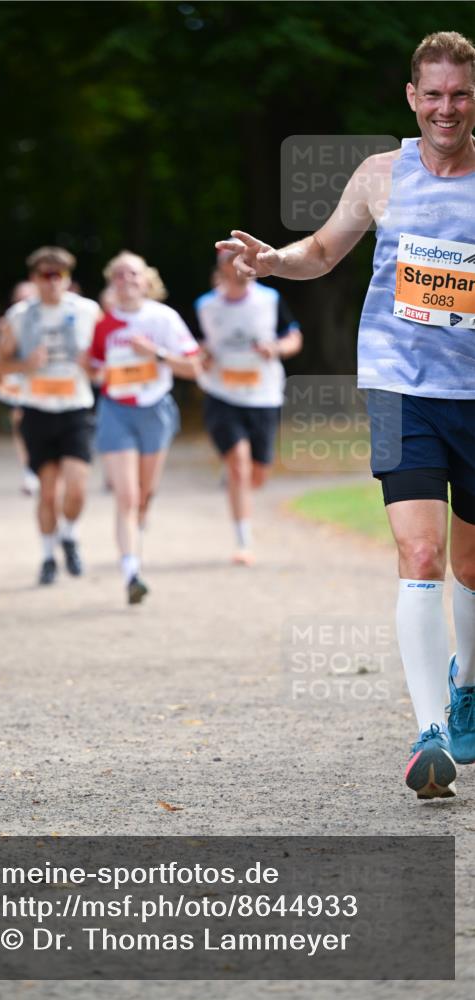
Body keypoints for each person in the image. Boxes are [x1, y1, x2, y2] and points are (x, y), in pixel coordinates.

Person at [217, 30, 475, 799]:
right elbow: (323, 251)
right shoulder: (379, 174)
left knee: (470, 563)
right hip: (401, 387)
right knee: (421, 556)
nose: (444, 107)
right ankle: (429, 730)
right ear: (410, 97)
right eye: (431, 94)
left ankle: (465, 689)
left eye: (457, 94)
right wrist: (273, 263)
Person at [89, 251, 201, 604]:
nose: (126, 280)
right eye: (119, 275)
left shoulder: (164, 318)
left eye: (133, 274)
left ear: (147, 281)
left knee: (145, 494)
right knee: (127, 496)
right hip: (116, 410)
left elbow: (193, 368)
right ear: (112, 283)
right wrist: (104, 372)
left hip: (155, 410)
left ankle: (140, 522)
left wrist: (155, 354)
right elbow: (91, 368)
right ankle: (131, 572)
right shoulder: (103, 324)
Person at [0, 247, 101, 585]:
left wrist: (93, 366)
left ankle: (69, 534)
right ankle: (47, 556)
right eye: (45, 275)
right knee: (48, 492)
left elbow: (105, 361)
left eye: (59, 275)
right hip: (37, 410)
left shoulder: (88, 312)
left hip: (76, 409)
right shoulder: (19, 316)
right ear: (34, 279)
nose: (52, 282)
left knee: (77, 489)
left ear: (68, 279)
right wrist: (25, 364)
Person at [196, 251, 303, 565]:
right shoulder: (206, 305)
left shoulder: (270, 299)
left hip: (264, 395)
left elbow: (294, 338)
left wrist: (276, 348)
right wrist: (202, 353)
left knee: (258, 474)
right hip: (222, 395)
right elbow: (195, 344)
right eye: (234, 262)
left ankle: (237, 483)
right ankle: (243, 542)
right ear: (223, 269)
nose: (244, 267)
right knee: (239, 465)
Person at [0, 280, 38, 494]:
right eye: (20, 298)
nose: (24, 302)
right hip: (18, 378)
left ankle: (40, 467)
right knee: (20, 422)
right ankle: (29, 470)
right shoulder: (9, 322)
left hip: (44, 381)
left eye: (28, 297)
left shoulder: (50, 319)